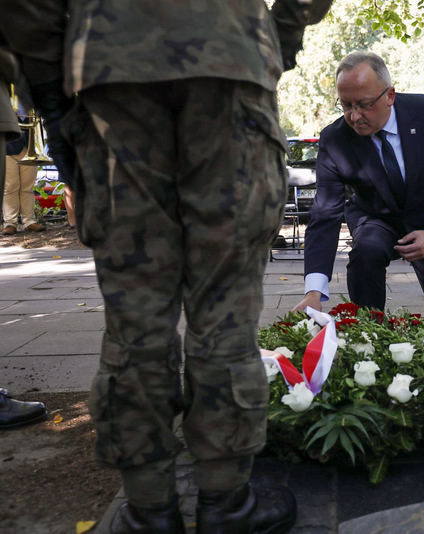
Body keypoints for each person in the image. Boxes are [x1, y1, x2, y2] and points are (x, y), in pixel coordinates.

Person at [5, 1, 332, 533]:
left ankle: (149, 508)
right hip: (230, 66)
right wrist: (273, 41)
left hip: (111, 75)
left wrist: (51, 80)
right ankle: (226, 501)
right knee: (224, 313)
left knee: (136, 320)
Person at [295, 51, 424, 332]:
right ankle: (368, 338)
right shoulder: (335, 139)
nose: (354, 116)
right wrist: (314, 290)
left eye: (364, 104)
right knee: (365, 254)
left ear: (390, 96)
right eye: (345, 105)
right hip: (377, 219)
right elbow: (325, 215)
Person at [1, 50, 49, 431]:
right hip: (8, 138)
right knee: (10, 186)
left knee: (27, 186)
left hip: (18, 135)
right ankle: (12, 221)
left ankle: (26, 219)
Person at [3, 103, 46, 235]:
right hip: (7, 148)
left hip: (30, 148)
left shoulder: (30, 101)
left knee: (27, 188)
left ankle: (29, 222)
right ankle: (10, 223)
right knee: (10, 187)